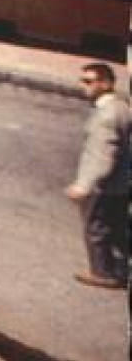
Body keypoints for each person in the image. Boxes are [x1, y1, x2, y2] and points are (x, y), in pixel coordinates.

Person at [65, 62, 130, 290]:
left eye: (89, 81)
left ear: (106, 84)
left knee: (96, 227)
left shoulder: (106, 117)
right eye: (83, 80)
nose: (83, 86)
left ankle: (103, 272)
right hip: (122, 183)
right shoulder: (122, 107)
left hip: (104, 186)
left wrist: (83, 185)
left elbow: (102, 156)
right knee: (118, 226)